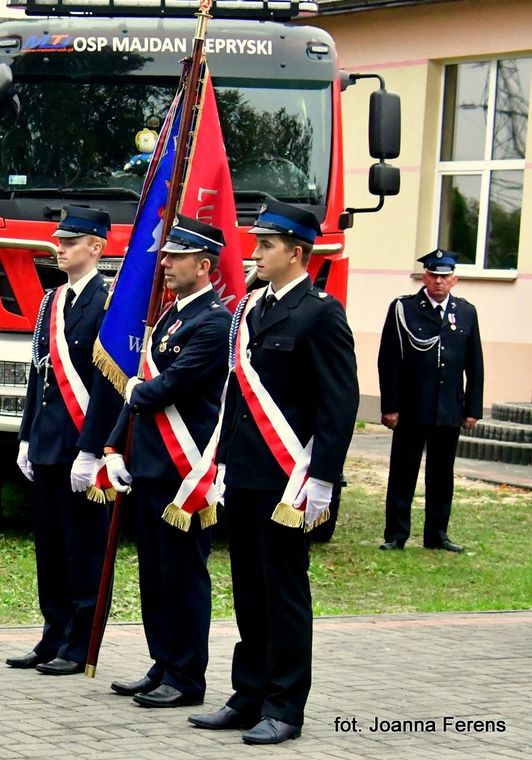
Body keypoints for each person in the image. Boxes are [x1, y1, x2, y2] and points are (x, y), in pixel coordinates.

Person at [189, 198, 358, 745]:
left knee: (284, 594)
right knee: (248, 591)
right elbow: (235, 399)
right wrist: (220, 465)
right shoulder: (250, 310)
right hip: (246, 474)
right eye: (256, 242)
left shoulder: (321, 313)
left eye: (266, 244)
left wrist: (324, 480)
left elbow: (338, 403)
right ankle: (249, 693)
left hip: (290, 480)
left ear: (297, 252)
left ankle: (285, 706)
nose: (254, 252)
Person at [101, 216, 231, 708]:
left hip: (185, 473)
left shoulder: (215, 321)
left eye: (176, 257)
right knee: (155, 575)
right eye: (166, 255)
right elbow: (140, 397)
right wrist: (115, 447)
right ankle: (162, 662)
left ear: (203, 264)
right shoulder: (173, 316)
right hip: (152, 467)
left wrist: (136, 389)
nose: (166, 264)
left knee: (184, 576)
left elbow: (167, 388)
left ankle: (187, 677)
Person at [5, 206, 123, 676]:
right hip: (49, 442)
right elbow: (38, 375)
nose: (60, 247)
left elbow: (109, 384)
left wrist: (93, 448)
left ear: (96, 247)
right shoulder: (51, 302)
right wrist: (25, 436)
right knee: (50, 548)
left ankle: (80, 642)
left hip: (82, 448)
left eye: (71, 241)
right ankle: (53, 634)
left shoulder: (111, 302)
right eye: (59, 240)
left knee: (85, 549)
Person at [377, 250, 483, 553]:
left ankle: (437, 535)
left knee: (441, 475)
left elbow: (474, 363)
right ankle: (396, 535)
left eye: (445, 276)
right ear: (425, 277)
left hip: (448, 407)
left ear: (454, 279)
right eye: (433, 275)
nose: (439, 281)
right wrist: (390, 406)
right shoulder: (404, 308)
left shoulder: (465, 312)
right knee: (403, 472)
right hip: (412, 406)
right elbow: (389, 361)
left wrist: (472, 409)